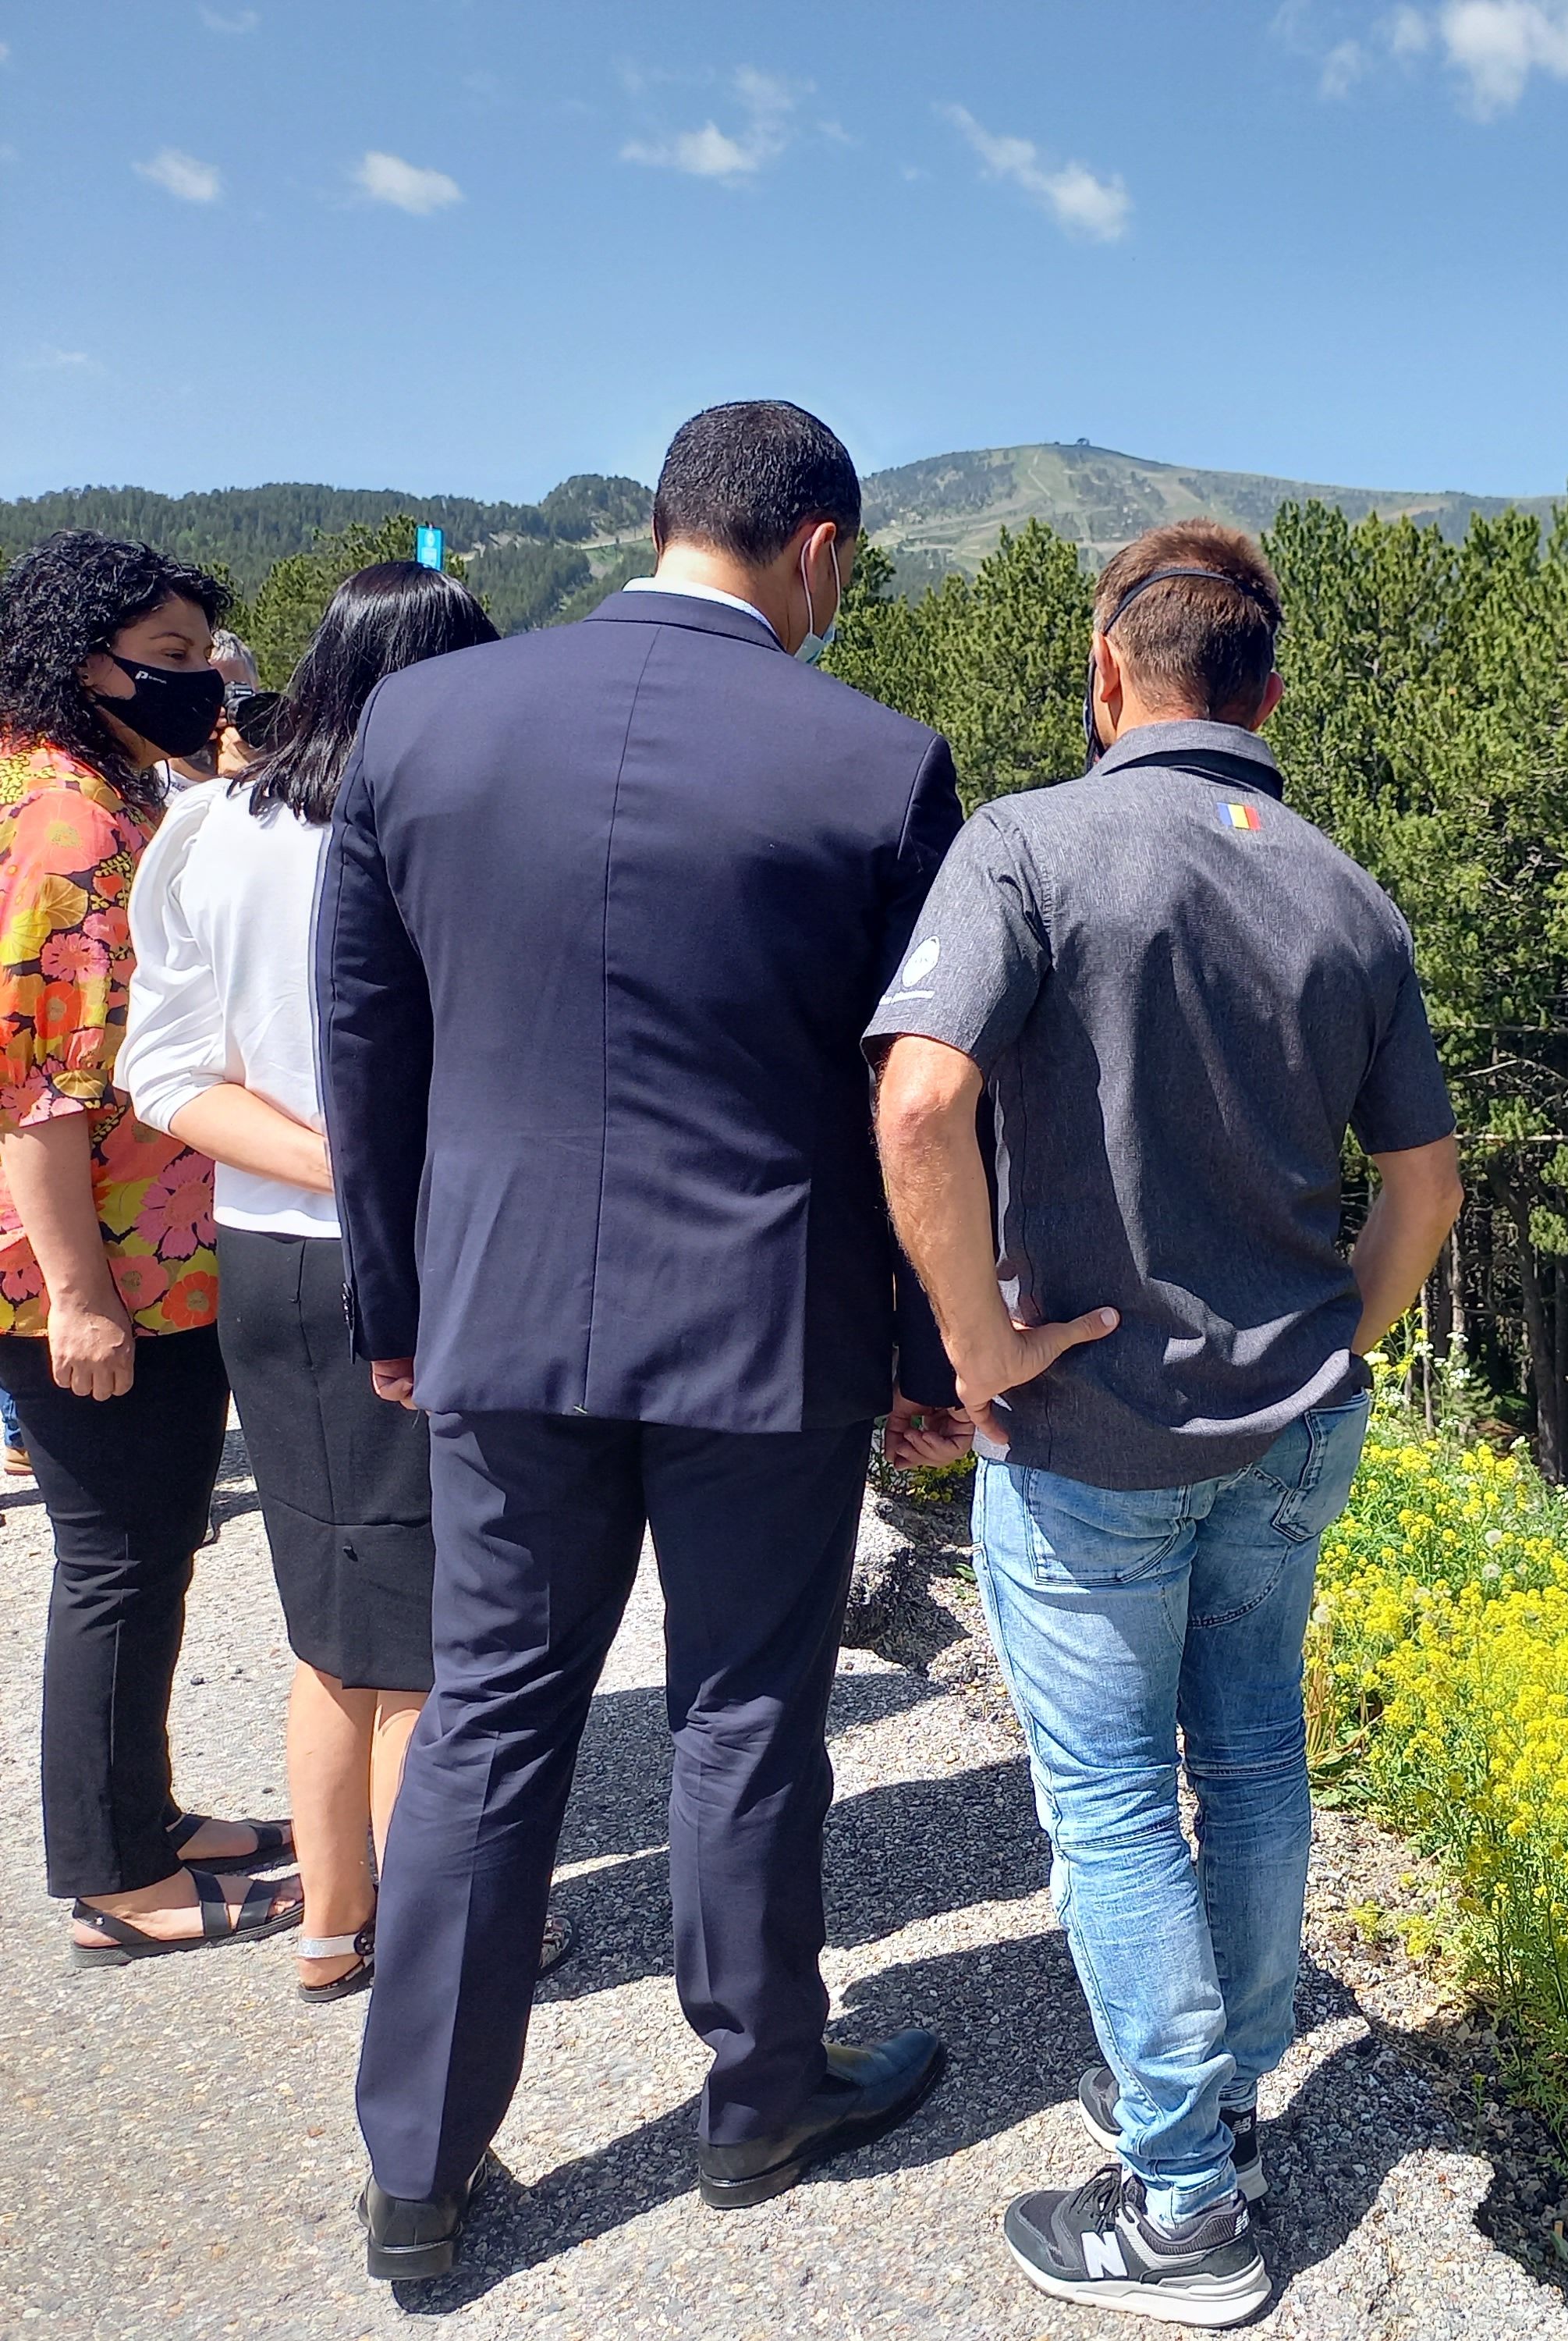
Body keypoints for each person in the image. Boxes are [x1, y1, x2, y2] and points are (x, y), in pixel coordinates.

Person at [321, 401, 985, 2284]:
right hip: (765, 1327)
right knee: (743, 1706)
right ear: (823, 554)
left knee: (492, 1716)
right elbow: (911, 1093)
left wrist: (400, 1303)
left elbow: (368, 1051)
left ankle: (418, 2170)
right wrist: (929, 1349)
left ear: (654, 521)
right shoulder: (875, 763)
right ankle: (761, 2095)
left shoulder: (424, 727)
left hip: (500, 1305)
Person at [874, 519, 1463, 2326]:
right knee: (1257, 1761)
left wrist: (978, 1349)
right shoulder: (1346, 890)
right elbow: (1425, 1187)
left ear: (1107, 674)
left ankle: (1185, 2206)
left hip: (1097, 1434)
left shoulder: (1029, 848)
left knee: (1118, 1804)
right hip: (1294, 1424)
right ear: (1267, 693)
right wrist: (1331, 1339)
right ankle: (1226, 2097)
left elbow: (916, 1105)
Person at [121, 561, 505, 2004]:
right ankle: (437, 1943)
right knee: (423, 1642)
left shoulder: (212, 827)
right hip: (416, 1259)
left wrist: (312, 1164)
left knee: (331, 1610)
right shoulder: (446, 828)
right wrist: (374, 1171)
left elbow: (160, 1072)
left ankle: (332, 1924)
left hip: (262, 1261)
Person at [0, 531, 297, 1962]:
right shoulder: (67, 831)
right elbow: (37, 1097)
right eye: (170, 663)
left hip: (154, 1252)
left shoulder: (101, 786)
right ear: (83, 663)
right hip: (104, 1266)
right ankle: (113, 1874)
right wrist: (79, 1300)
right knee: (117, 1554)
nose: (200, 686)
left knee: (154, 1543)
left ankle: (146, 1809)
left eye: (204, 659)